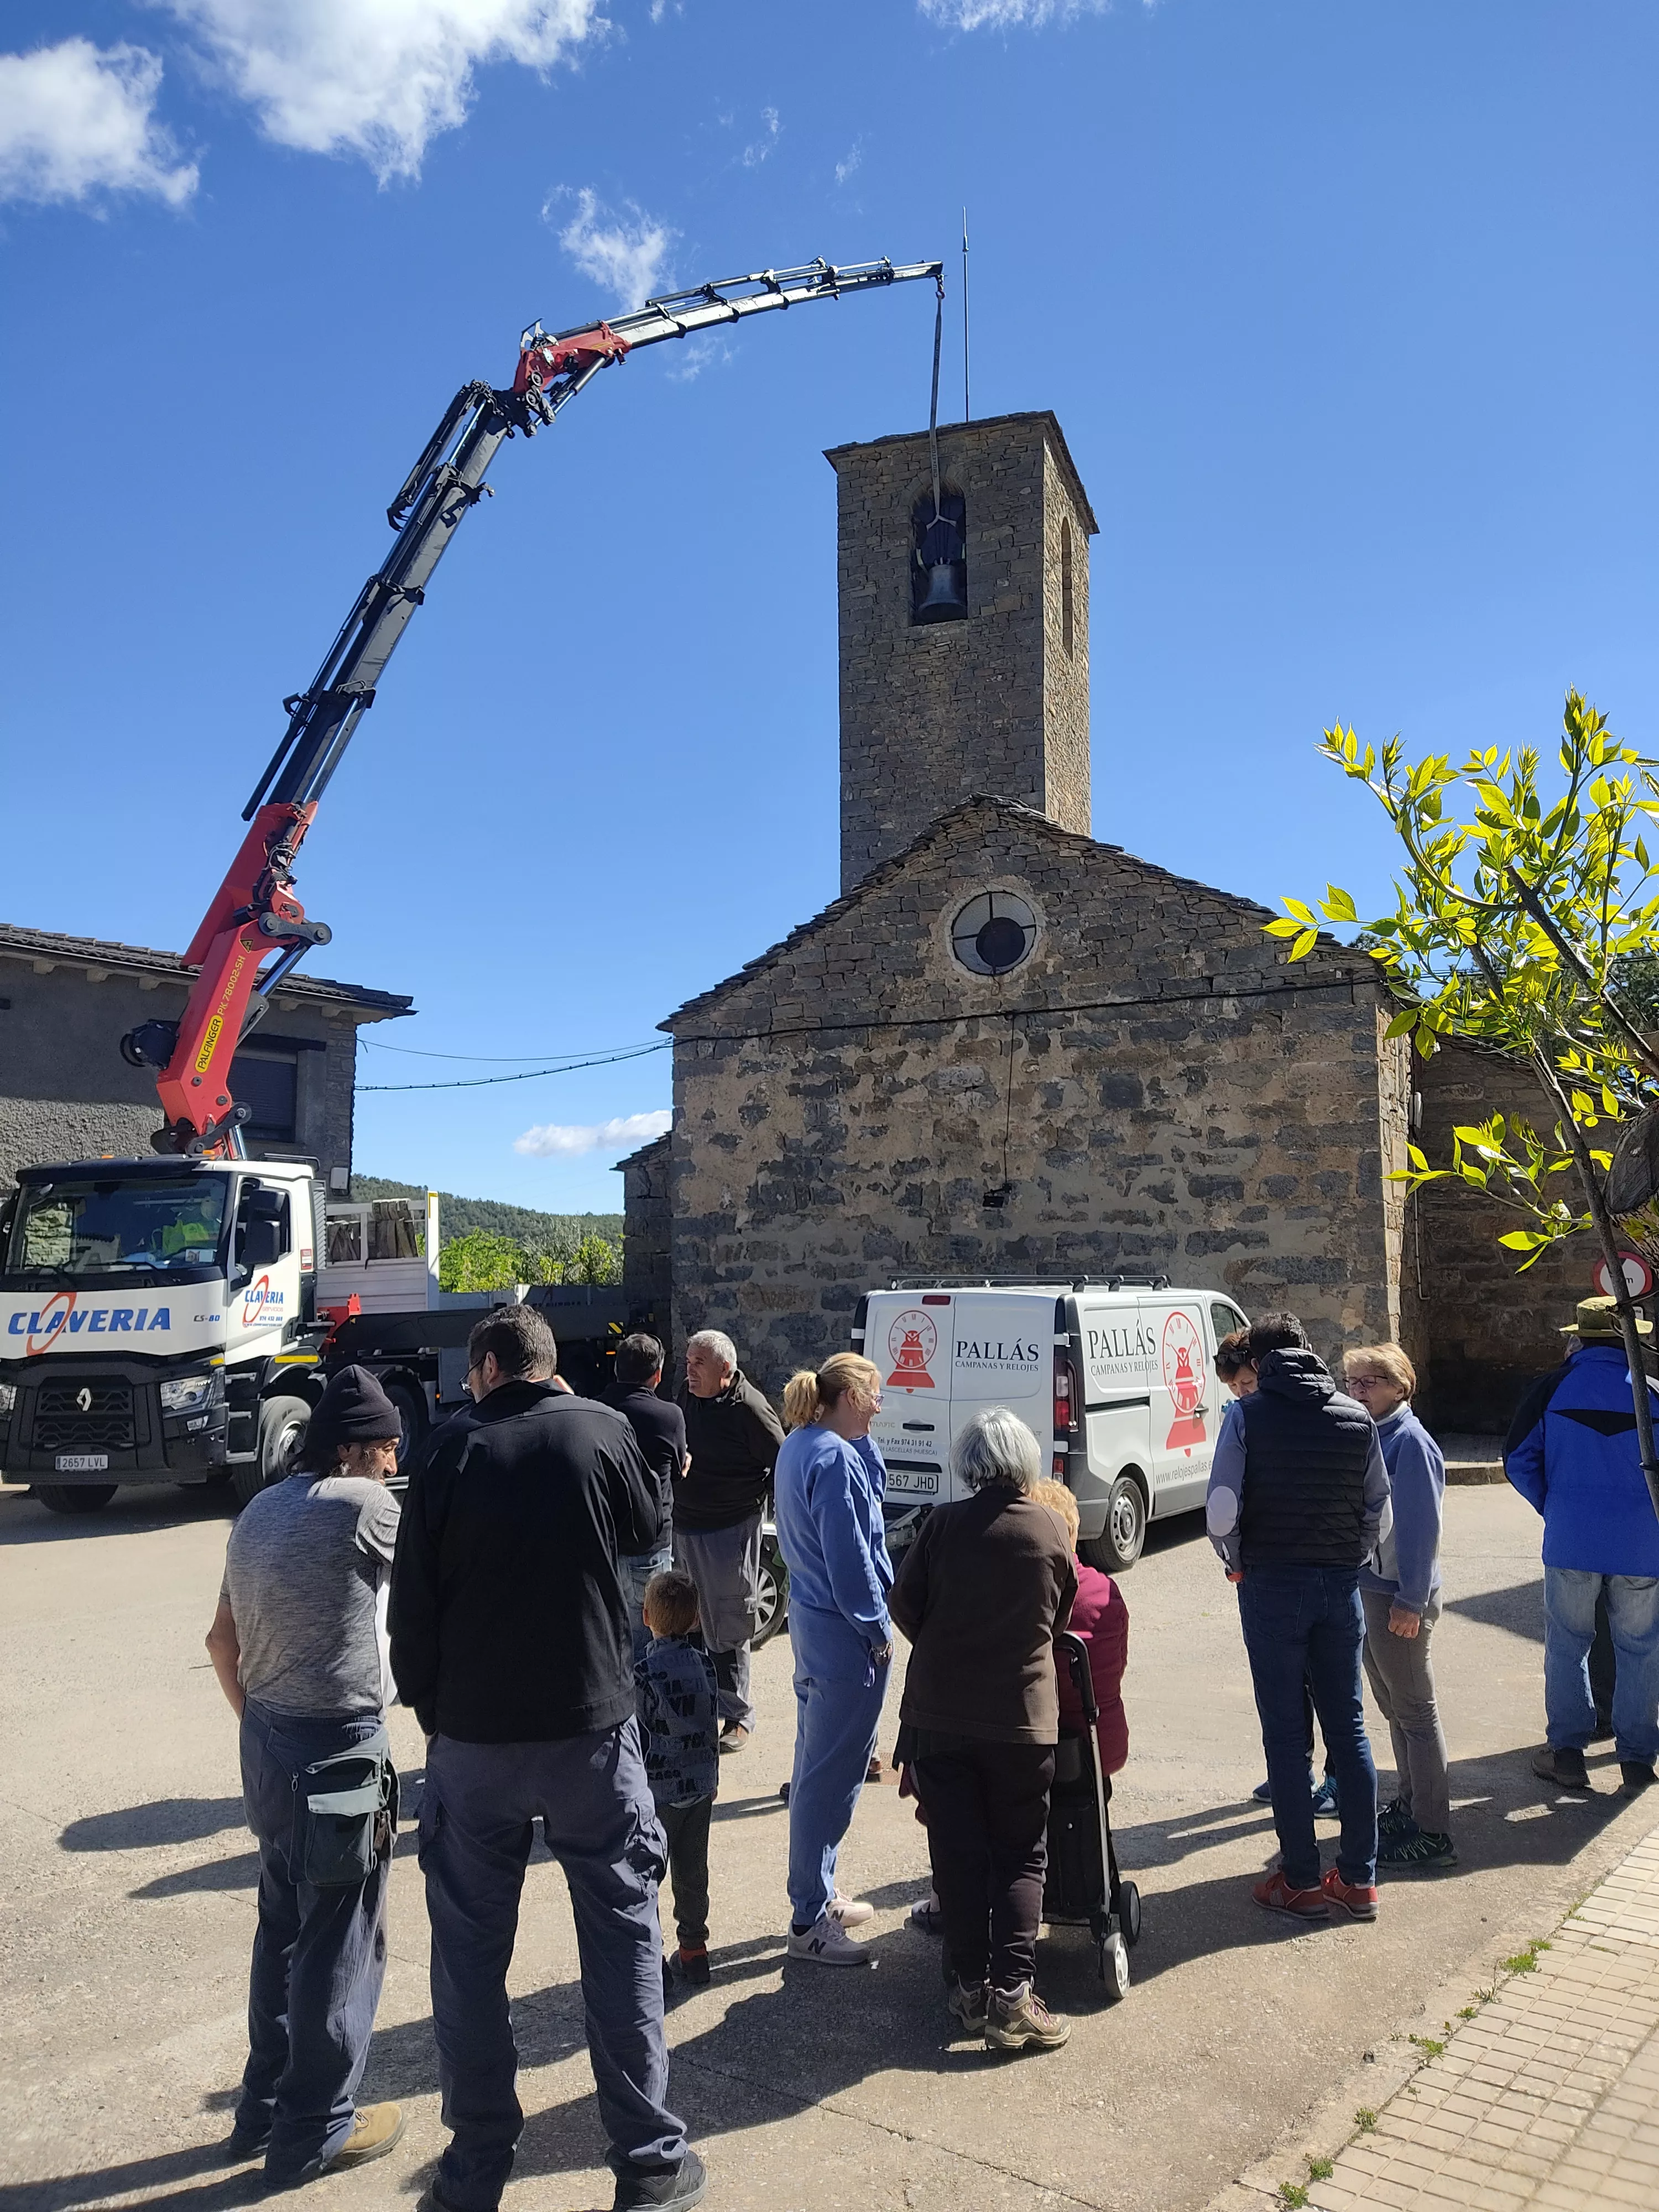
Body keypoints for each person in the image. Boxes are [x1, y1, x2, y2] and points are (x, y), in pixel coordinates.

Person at [389, 1305, 705, 2212]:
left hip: (475, 1741)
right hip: (591, 1733)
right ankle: (647, 2163)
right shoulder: (602, 1432)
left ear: (487, 1367)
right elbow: (649, 1529)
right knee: (621, 1937)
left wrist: (434, 1713)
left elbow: (410, 1608)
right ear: (549, 1365)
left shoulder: (447, 1449)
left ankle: (476, 2167)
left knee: (469, 1955)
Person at [204, 1364, 406, 2185]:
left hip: (267, 1741)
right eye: (389, 1450)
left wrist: (258, 1723)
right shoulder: (365, 1508)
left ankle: (262, 2109)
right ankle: (315, 2128)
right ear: (357, 1451)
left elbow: (221, 1642)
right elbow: (447, 1580)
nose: (395, 1466)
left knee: (281, 1924)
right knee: (342, 1938)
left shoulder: (258, 1509)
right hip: (341, 1745)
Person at [890, 1408, 1077, 2051]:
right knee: (1022, 1854)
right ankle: (1013, 1997)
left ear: (968, 1461)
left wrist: (946, 1646)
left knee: (959, 1853)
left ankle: (969, 1989)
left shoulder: (943, 1523)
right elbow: (1061, 1612)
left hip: (941, 1714)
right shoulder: (1051, 1527)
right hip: (1021, 1721)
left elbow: (904, 1604)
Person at [1205, 1312, 1390, 1924]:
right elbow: (1378, 1511)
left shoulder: (1246, 1417)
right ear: (1309, 1350)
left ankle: (1301, 1879)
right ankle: (1360, 1878)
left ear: (1257, 1364)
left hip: (1271, 1582)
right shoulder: (1355, 1416)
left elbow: (1222, 1511)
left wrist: (1235, 1563)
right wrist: (1349, 1555)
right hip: (1339, 1585)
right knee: (1351, 1730)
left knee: (1287, 1736)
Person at [1505, 1295, 1659, 1799]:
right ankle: (1638, 1762)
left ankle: (1568, 1754)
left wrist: (1555, 1505)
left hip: (1571, 1539)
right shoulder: (1653, 1393)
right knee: (1641, 1650)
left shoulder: (1553, 1386)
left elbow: (1518, 1458)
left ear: (1579, 1339)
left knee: (1569, 1645)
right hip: (1642, 1544)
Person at [772, 1352, 894, 1965]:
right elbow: (853, 1562)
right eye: (875, 1396)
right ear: (851, 1396)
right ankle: (809, 1919)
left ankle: (817, 1896)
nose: (881, 1407)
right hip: (845, 1634)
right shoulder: (834, 1456)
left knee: (816, 1764)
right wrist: (878, 1631)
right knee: (831, 1777)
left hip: (814, 1626)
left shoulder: (804, 1444)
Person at [1218, 1332, 1340, 1822]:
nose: (1244, 1394)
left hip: (1300, 1568)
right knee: (1287, 1686)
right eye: (1236, 1390)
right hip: (1271, 1565)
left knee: (1324, 1683)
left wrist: (1234, 1556)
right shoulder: (1246, 1416)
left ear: (1263, 1368)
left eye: (1248, 1382)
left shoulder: (1310, 1409)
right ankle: (1296, 1771)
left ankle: (1333, 1779)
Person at [1344, 1344, 1455, 1870]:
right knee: (1394, 1706)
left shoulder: (1410, 1442)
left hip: (1398, 1595)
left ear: (1400, 1386)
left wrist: (1411, 1601)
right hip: (1373, 1587)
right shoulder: (1374, 1434)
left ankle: (1433, 1831)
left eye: (1371, 1381)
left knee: (1416, 1711)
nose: (1358, 1389)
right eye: (1353, 1381)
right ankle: (1411, 1805)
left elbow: (1420, 1530)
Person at [676, 1328, 786, 1752]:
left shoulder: (750, 1409)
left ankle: (737, 1716)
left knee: (729, 1621)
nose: (690, 1370)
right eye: (688, 1362)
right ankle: (698, 1707)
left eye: (698, 1363)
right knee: (689, 1622)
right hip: (686, 1525)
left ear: (726, 1368)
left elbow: (782, 1460)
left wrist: (775, 1514)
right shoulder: (686, 1396)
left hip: (730, 1528)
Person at [635, 1570, 721, 1991]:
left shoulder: (643, 1673)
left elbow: (636, 1737)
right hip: (700, 1786)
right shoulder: (705, 1666)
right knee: (693, 1871)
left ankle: (652, 1961)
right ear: (695, 1621)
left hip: (659, 1793)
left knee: (647, 1872)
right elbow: (710, 1726)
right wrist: (713, 1774)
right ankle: (694, 1950)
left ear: (647, 1615)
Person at [1030, 1478, 1129, 1778]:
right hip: (1101, 1742)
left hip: (1038, 1749)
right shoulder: (1104, 1591)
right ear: (1072, 1532)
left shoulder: (1021, 1593)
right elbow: (1118, 1662)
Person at [608, 1333, 687, 1662]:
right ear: (657, 1374)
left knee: (612, 1634)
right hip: (651, 1541)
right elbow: (681, 1466)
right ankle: (646, 1709)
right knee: (650, 1635)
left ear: (616, 1369)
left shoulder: (598, 1410)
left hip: (607, 1539)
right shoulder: (668, 1416)